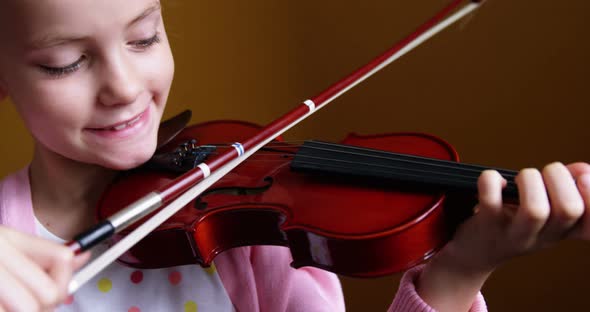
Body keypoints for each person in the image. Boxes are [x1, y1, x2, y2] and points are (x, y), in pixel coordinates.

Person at [0, 0, 588, 311]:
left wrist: (458, 274)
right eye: (66, 62)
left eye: (144, 35)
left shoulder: (246, 237)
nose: (125, 87)